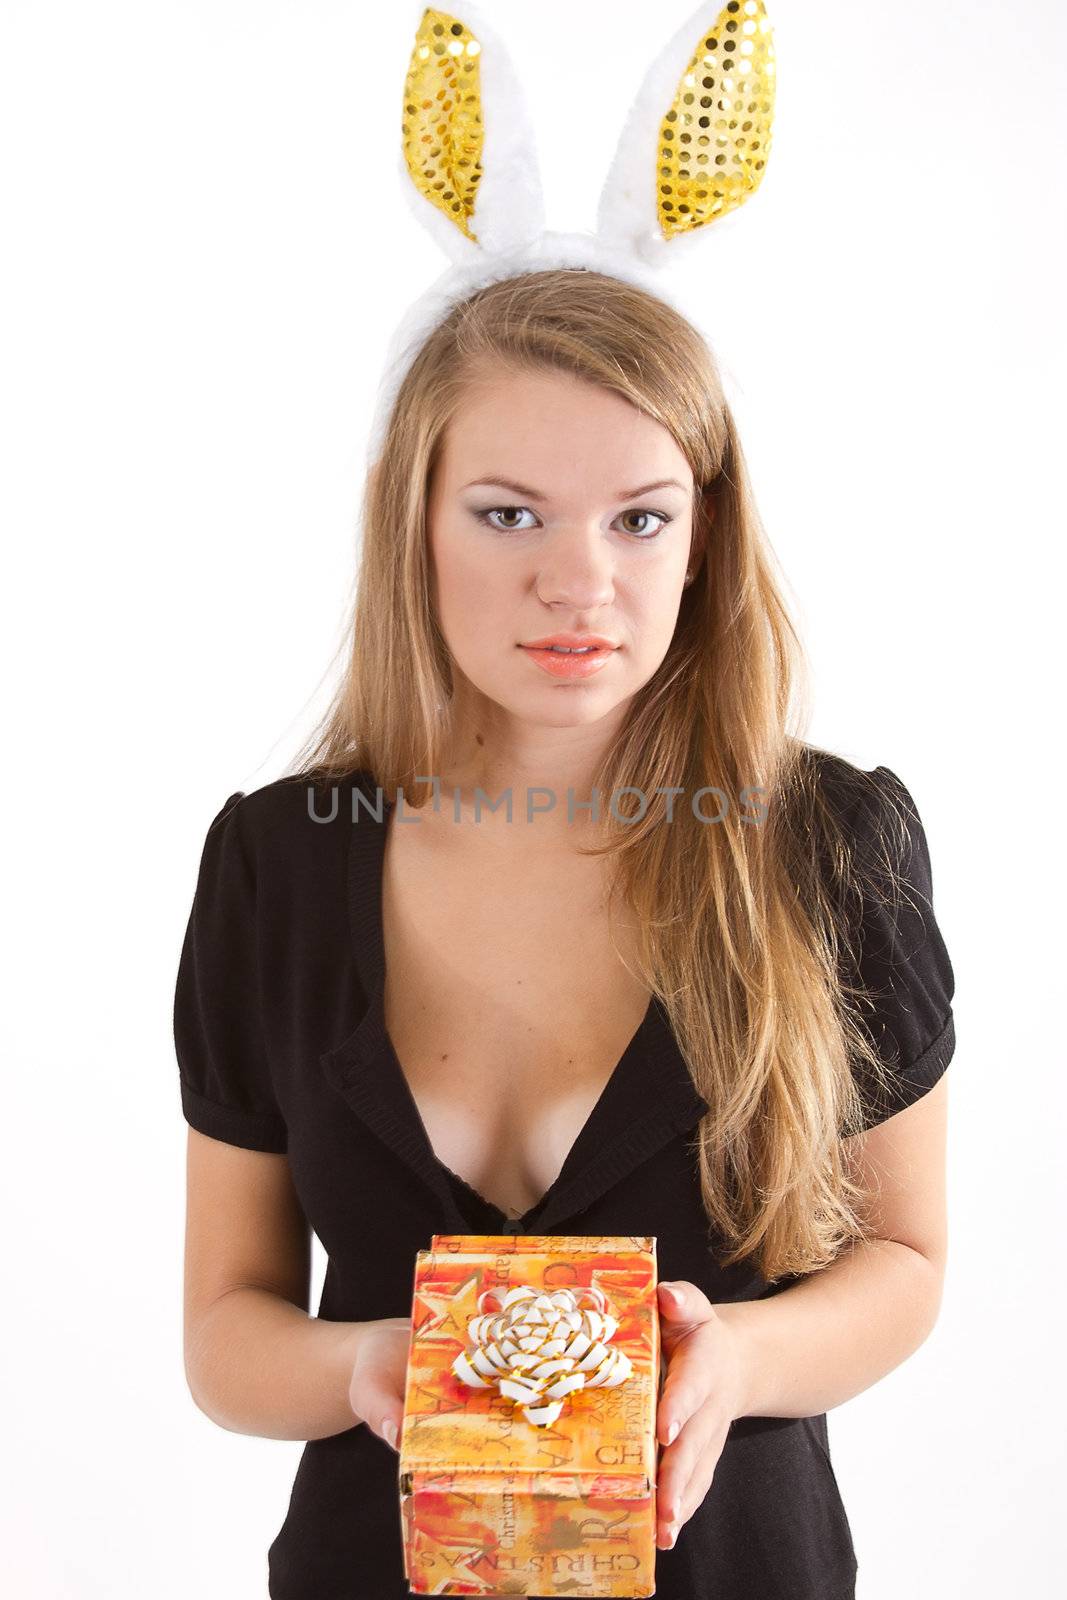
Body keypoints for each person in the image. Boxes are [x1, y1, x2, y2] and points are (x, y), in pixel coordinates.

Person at [173, 7, 956, 1598]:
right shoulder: (279, 864)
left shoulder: (830, 846)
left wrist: (736, 1359)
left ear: (703, 536)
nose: (578, 583)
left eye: (640, 516)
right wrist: (365, 1368)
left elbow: (909, 1262)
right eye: (510, 510)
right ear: (419, 521)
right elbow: (225, 1328)